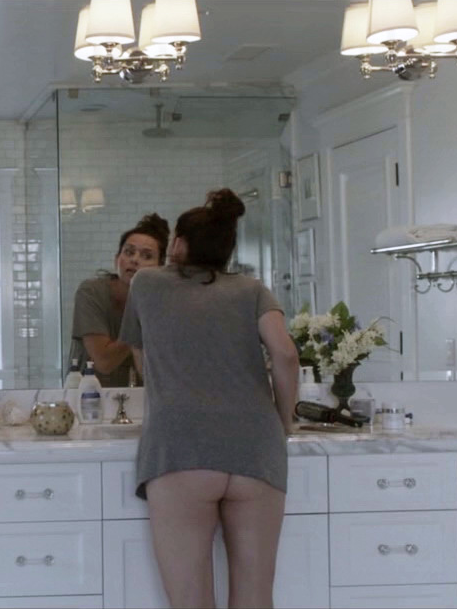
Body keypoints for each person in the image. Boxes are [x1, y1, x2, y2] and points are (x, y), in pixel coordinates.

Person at [119, 189, 300, 608]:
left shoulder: (147, 283)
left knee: (190, 600)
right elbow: (286, 354)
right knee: (256, 596)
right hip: (256, 450)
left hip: (181, 450)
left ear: (178, 244)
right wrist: (283, 420)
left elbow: (140, 352)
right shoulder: (252, 290)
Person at [70, 213, 169, 387]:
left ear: (160, 268)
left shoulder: (165, 301)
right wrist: (139, 319)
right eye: (129, 252)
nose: (134, 260)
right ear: (117, 259)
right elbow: (104, 362)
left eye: (146, 256)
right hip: (92, 396)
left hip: (143, 395)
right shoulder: (92, 292)